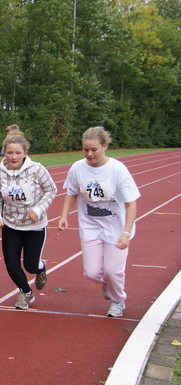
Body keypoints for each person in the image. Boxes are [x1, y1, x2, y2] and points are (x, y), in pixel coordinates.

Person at [58, 126, 140, 318]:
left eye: (93, 149)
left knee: (113, 270)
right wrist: (64, 216)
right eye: (85, 149)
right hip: (90, 226)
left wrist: (126, 233)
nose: (89, 154)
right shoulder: (78, 168)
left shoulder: (117, 169)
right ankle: (109, 284)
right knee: (92, 273)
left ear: (104, 146)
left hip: (117, 227)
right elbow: (71, 193)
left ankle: (117, 300)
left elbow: (131, 204)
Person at [0, 134, 57, 310]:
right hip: (11, 225)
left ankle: (41, 269)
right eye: (9, 152)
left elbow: (51, 190)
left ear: (25, 153)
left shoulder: (37, 169)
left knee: (30, 265)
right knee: (11, 264)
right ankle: (26, 292)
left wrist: (38, 209)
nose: (13, 157)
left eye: (17, 153)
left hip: (34, 226)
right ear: (4, 152)